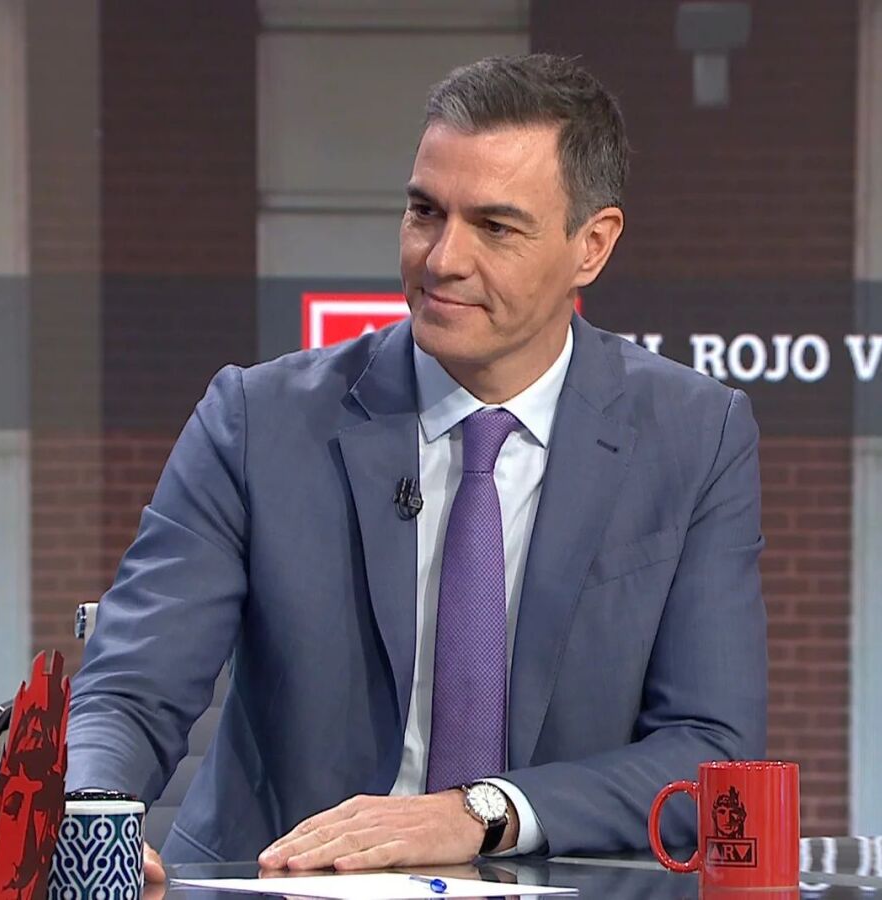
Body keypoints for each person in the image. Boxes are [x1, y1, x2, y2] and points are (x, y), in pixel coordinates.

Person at [66, 53, 766, 880]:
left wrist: (483, 812)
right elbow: (131, 684)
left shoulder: (692, 435)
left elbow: (712, 751)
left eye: (495, 227)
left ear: (592, 246)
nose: (442, 260)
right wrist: (91, 817)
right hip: (280, 882)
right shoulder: (258, 421)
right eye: (425, 212)